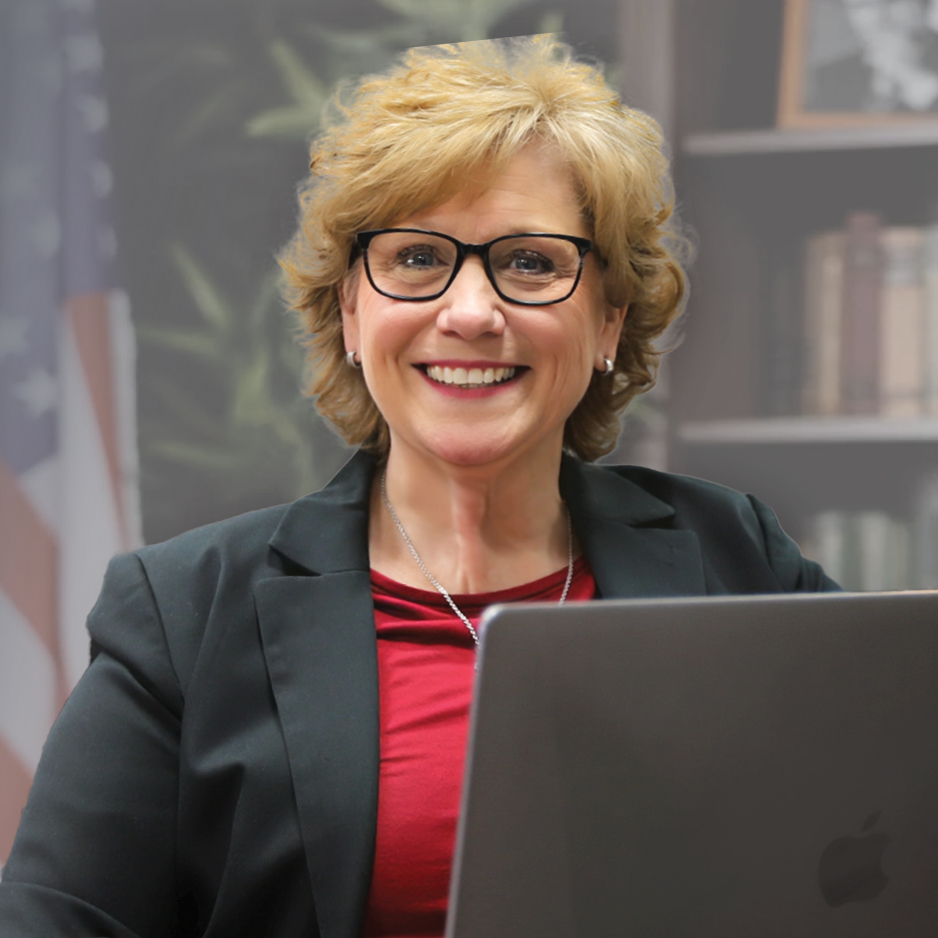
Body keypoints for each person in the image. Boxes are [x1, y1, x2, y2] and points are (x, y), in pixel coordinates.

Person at [0, 36, 838, 938]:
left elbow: (877, 838)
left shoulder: (736, 556)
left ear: (608, 319)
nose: (471, 312)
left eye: (529, 262)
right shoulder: (183, 616)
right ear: (352, 314)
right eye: (413, 259)